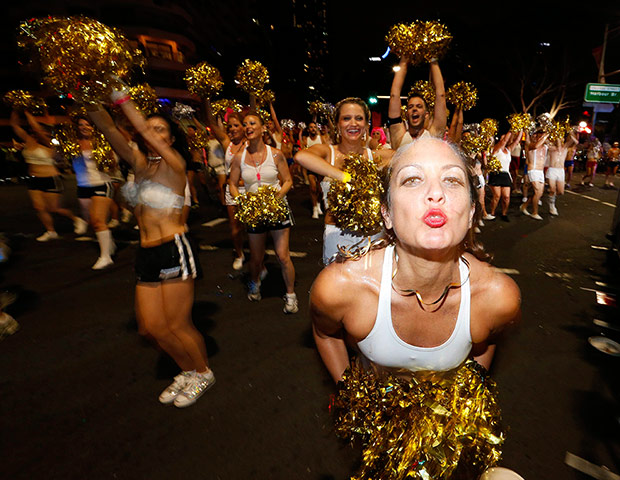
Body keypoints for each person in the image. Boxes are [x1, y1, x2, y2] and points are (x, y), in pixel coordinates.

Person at [310, 137, 521, 476]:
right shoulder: (341, 288)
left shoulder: (497, 297)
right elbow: (324, 333)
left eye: (451, 180)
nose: (435, 193)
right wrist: (353, 396)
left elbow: (488, 343)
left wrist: (466, 399)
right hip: (377, 428)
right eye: (412, 179)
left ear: (469, 213)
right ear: (387, 214)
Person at [88, 89, 215, 408]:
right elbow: (109, 129)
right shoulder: (139, 165)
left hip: (174, 248)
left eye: (161, 129)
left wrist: (120, 96)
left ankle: (202, 371)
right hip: (147, 254)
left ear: (171, 139)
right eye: (152, 128)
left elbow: (140, 128)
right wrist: (85, 93)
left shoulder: (175, 164)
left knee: (177, 325)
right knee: (150, 328)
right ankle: (186, 370)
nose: (153, 132)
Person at [294, 98, 394, 265]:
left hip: (374, 236)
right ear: (338, 124)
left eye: (359, 118)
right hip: (337, 237)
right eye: (346, 118)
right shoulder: (327, 153)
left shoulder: (376, 157)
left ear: (366, 126)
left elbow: (410, 153)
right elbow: (300, 156)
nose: (353, 123)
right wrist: (345, 177)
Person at [229, 111, 298, 314]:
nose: (248, 126)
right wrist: (242, 201)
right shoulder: (239, 158)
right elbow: (232, 184)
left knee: (283, 256)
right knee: (257, 258)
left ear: (262, 128)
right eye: (245, 124)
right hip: (254, 213)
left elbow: (288, 181)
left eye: (252, 123)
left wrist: (274, 199)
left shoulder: (275, 154)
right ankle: (255, 282)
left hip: (277, 209)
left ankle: (291, 295)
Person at [9, 109, 88, 241]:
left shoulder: (49, 144)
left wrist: (28, 112)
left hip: (50, 178)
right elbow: (14, 125)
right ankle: (51, 231)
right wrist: (17, 108)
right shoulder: (28, 141)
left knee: (55, 208)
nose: (39, 132)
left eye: (42, 131)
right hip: (33, 179)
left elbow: (36, 128)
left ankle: (76, 219)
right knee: (38, 207)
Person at [71, 115, 118, 268]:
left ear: (94, 126)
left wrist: (105, 158)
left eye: (88, 124)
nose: (84, 127)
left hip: (102, 184)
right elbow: (59, 158)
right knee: (93, 221)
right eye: (81, 124)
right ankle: (109, 243)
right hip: (83, 186)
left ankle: (105, 257)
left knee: (98, 221)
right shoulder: (72, 144)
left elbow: (113, 165)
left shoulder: (101, 142)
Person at [205, 102, 247, 270]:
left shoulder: (251, 142)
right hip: (232, 189)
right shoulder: (226, 144)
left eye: (236, 125)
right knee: (235, 228)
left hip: (249, 189)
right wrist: (206, 97)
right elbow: (211, 123)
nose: (233, 129)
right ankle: (239, 254)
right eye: (230, 126)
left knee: (251, 226)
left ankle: (256, 255)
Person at [387, 55, 447, 149]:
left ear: (426, 114)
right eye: (410, 107)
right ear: (406, 114)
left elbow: (441, 95)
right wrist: (404, 58)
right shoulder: (398, 135)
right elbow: (394, 95)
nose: (414, 109)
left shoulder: (433, 136)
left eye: (419, 106)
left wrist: (433, 58)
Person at [488, 131, 523, 221]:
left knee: (506, 197)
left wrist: (521, 128)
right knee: (497, 196)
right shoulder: (495, 149)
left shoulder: (508, 149)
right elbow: (503, 141)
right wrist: (511, 130)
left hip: (505, 175)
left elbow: (517, 141)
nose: (505, 139)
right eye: (503, 138)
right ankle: (492, 213)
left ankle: (504, 213)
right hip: (496, 173)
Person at [546, 129, 578, 215]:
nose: (560, 140)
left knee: (560, 192)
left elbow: (575, 141)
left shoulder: (566, 148)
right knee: (552, 189)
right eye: (558, 139)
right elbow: (545, 141)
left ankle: (551, 198)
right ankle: (552, 206)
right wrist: (547, 130)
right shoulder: (552, 148)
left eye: (561, 138)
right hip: (552, 170)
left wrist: (571, 131)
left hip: (560, 171)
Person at [302, 121, 329, 219]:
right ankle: (314, 208)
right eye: (311, 127)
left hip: (320, 166)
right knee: (313, 187)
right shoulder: (306, 140)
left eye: (314, 127)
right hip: (310, 166)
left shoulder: (321, 138)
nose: (313, 129)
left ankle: (318, 204)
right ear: (308, 129)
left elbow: (327, 150)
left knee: (320, 188)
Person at [520, 130, 549, 220]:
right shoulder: (530, 144)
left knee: (539, 193)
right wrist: (546, 135)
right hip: (533, 170)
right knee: (537, 191)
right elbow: (536, 145)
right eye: (539, 136)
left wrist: (549, 130)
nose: (541, 138)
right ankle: (535, 212)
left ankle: (524, 206)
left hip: (540, 172)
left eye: (542, 136)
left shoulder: (545, 146)